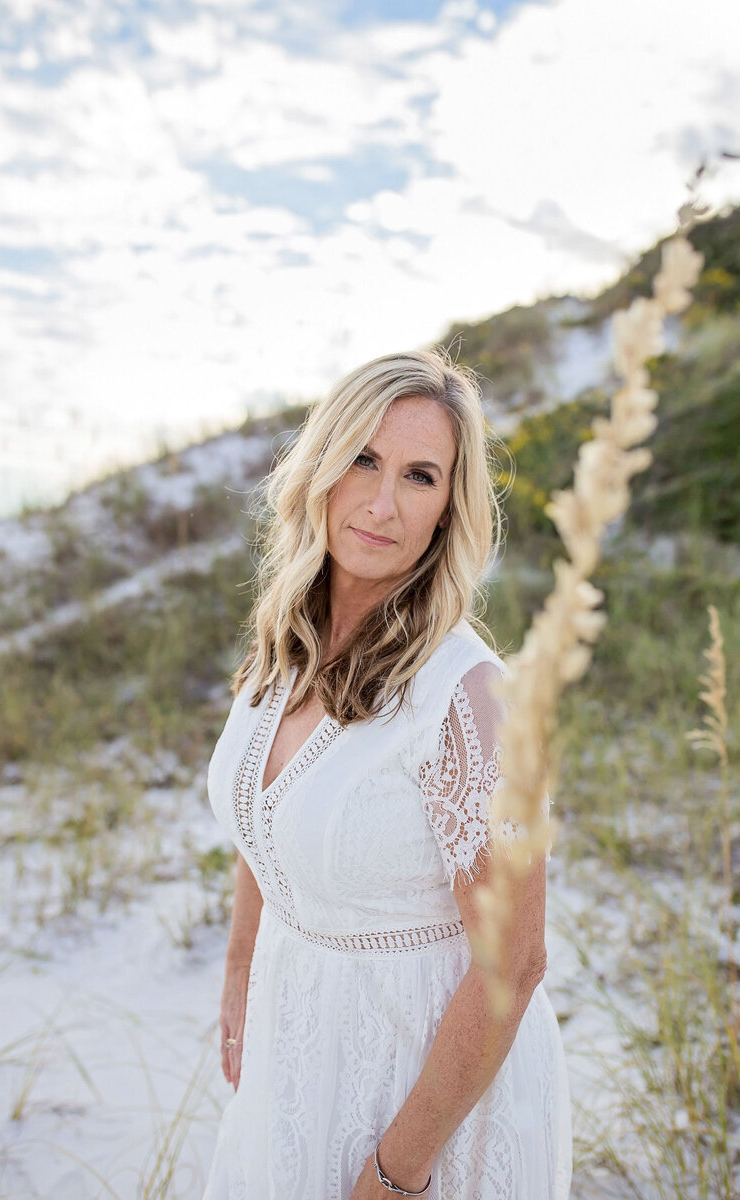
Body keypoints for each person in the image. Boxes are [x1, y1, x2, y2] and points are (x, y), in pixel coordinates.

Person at [202, 346, 572, 1199]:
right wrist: (239, 963)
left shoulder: (468, 699)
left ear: (448, 507)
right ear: (320, 465)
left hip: (426, 1091)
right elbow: (271, 816)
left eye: (419, 475)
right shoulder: (282, 650)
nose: (380, 502)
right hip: (297, 1049)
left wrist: (398, 1173)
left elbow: (512, 965)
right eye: (363, 458)